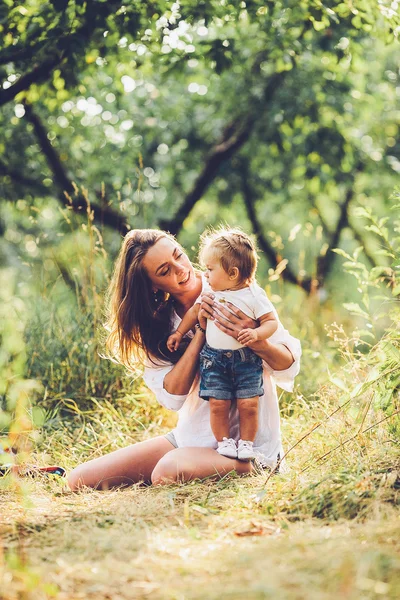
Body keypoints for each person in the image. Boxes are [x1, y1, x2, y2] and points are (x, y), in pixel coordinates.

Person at [67, 229, 301, 491]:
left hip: (249, 446)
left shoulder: (238, 289)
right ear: (153, 285)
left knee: (167, 470)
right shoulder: (159, 325)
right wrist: (201, 332)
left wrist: (254, 339)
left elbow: (287, 366)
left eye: (179, 255)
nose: (181, 270)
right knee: (79, 480)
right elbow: (173, 397)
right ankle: (195, 463)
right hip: (193, 439)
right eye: (165, 271)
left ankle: (261, 465)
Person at [167, 228, 278, 461]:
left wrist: (257, 334)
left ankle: (246, 444)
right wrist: (179, 332)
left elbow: (271, 322)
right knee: (218, 404)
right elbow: (195, 312)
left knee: (249, 405)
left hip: (246, 362)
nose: (204, 275)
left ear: (233, 273)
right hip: (214, 361)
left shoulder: (254, 296)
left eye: (210, 269)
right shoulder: (212, 292)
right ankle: (224, 442)